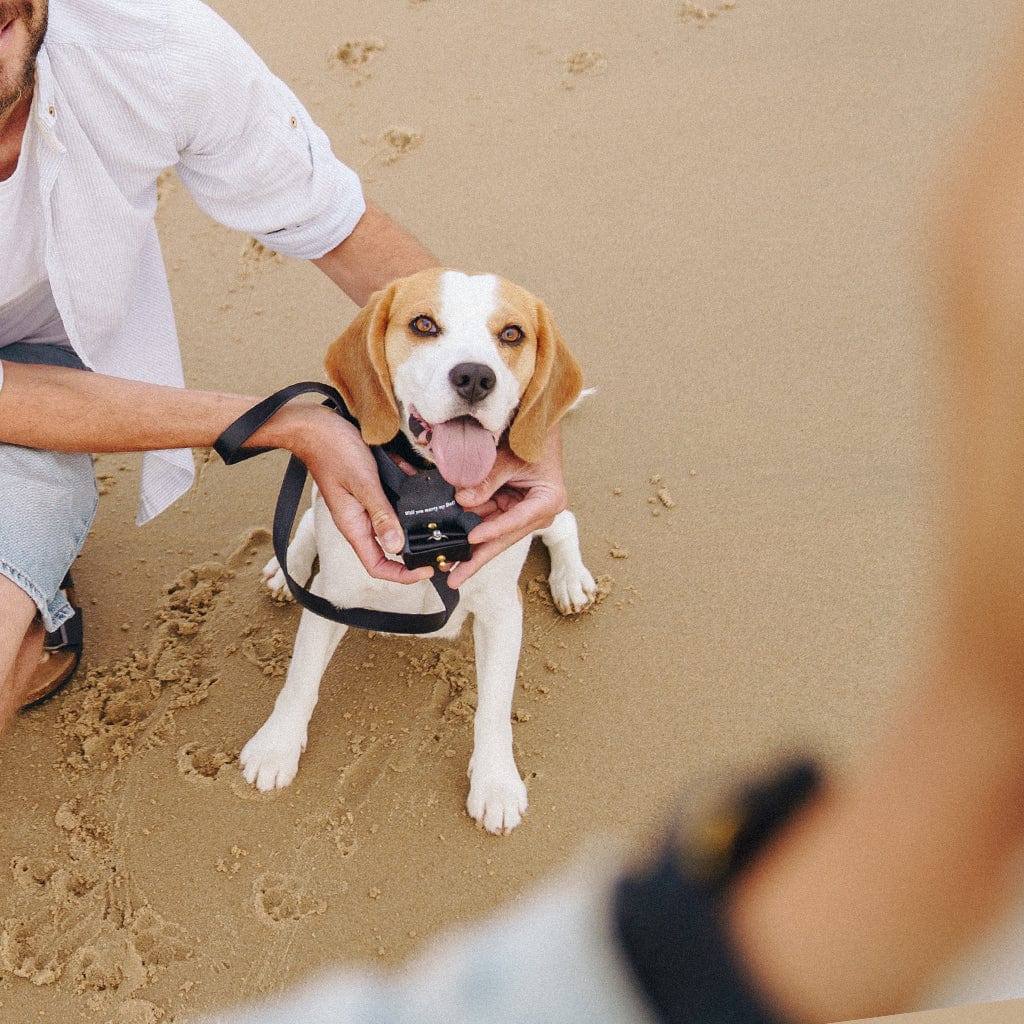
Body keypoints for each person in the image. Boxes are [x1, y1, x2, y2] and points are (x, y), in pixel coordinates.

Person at [195, 14, 1024, 1024]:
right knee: (325, 573)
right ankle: (298, 693)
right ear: (380, 352)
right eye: (429, 332)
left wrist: (489, 743)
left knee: (505, 578)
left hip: (494, 540)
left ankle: (563, 547)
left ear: (532, 369)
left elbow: (494, 612)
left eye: (503, 342)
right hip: (363, 497)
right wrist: (294, 701)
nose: (471, 363)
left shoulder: (505, 420)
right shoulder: (366, 409)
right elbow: (335, 589)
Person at [0, 0, 568, 732]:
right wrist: (286, 423)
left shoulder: (152, 42)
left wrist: (534, 437)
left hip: (46, 378)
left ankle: (32, 620)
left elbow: (342, 230)